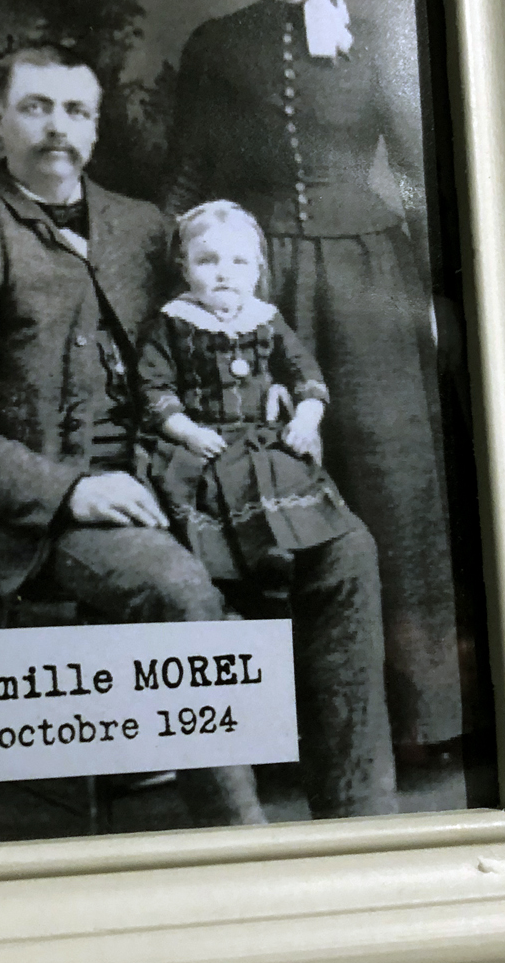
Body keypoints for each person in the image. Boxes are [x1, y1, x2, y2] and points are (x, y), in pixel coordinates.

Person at [0, 44, 265, 829]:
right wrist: (73, 490)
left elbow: (216, 328)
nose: (56, 129)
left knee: (342, 553)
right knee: (178, 589)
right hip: (57, 520)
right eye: (35, 108)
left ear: (96, 129)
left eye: (75, 111)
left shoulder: (143, 227)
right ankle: (246, 847)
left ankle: (358, 818)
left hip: (177, 478)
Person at [164, 0, 465, 764]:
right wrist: (167, 280)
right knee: (276, 479)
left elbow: (417, 173)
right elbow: (188, 170)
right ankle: (290, 725)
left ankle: (423, 720)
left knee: (391, 478)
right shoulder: (217, 46)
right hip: (261, 286)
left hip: (371, 281)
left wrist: (440, 291)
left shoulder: (373, 37)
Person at [138, 201, 397, 816]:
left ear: (257, 269)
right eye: (207, 260)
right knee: (216, 537)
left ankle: (283, 558)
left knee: (314, 518)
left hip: (264, 445)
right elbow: (154, 388)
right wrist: (183, 429)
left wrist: (307, 416)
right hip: (207, 448)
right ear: (185, 267)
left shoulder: (267, 320)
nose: (223, 273)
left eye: (237, 262)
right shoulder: (173, 323)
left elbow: (305, 374)